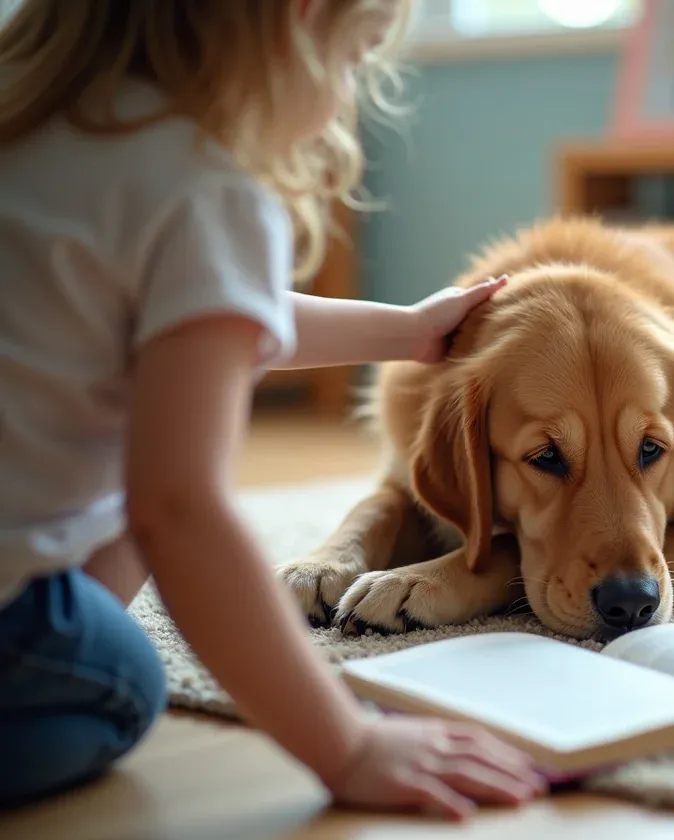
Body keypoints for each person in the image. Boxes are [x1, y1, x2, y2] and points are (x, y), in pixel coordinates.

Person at [0, 0, 546, 820]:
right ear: (301, 21)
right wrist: (349, 744)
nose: (354, 88)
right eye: (359, 55)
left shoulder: (38, 123)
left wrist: (404, 330)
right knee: (125, 682)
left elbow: (213, 310)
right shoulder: (203, 187)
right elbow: (177, 510)